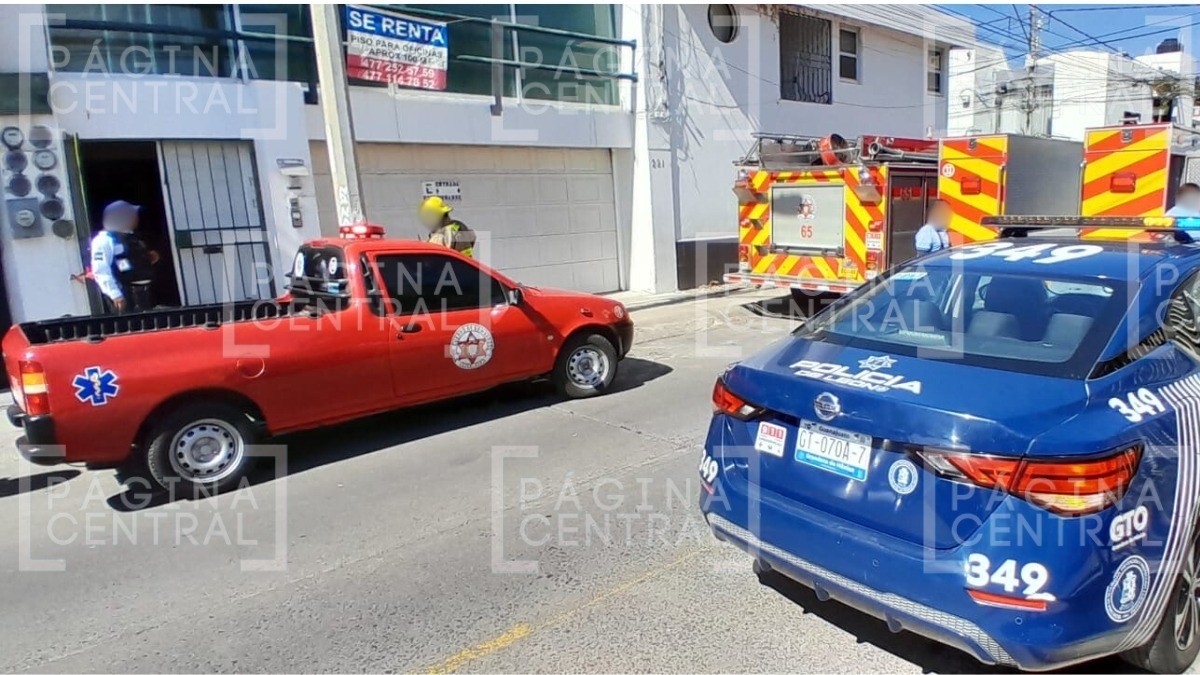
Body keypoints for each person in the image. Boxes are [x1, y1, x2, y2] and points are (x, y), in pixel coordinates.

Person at [90, 200, 155, 314]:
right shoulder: (104, 240)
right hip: (123, 296)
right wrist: (115, 294)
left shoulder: (131, 237)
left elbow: (133, 261)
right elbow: (101, 270)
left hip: (143, 294)